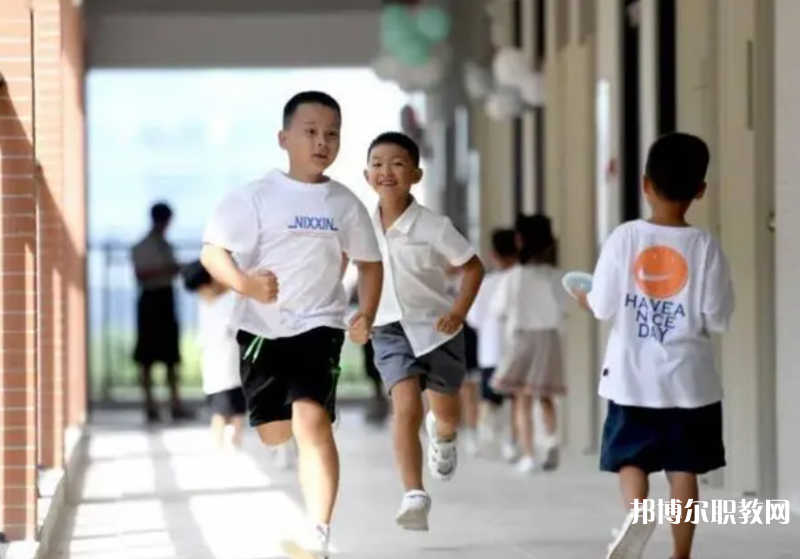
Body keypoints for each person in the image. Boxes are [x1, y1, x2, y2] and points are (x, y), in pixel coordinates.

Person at [200, 91, 384, 559]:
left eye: (331, 134)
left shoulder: (345, 204)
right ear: (284, 138)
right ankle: (285, 445)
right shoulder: (254, 196)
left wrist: (365, 313)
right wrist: (244, 283)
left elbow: (369, 263)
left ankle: (317, 535)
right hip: (261, 331)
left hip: (320, 325)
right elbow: (212, 252)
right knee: (275, 432)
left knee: (312, 421)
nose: (322, 142)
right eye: (311, 132)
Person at [571, 132, 734, 559]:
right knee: (684, 469)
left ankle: (637, 517)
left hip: (631, 379)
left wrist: (584, 298)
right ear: (700, 191)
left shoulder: (624, 238)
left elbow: (603, 305)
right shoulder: (705, 247)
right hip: (690, 384)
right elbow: (718, 315)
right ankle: (680, 555)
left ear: (645, 184)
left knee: (632, 460)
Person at [366, 131, 484, 532]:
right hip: (389, 328)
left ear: (415, 174)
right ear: (367, 175)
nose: (386, 171)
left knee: (445, 414)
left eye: (397, 163)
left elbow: (472, 267)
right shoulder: (360, 227)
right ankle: (414, 492)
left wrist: (458, 311)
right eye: (378, 164)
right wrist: (355, 316)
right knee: (405, 405)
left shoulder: (434, 226)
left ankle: (445, 437)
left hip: (438, 330)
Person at [489, 214, 566, 473]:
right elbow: (564, 307)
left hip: (522, 337)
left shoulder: (513, 277)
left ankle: (529, 454)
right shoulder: (555, 276)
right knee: (545, 395)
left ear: (520, 241)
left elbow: (498, 310)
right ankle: (552, 440)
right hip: (549, 337)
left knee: (521, 397)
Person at [131, 202, 191, 423]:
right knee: (146, 357)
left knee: (170, 356)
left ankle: (174, 403)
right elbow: (141, 274)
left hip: (164, 299)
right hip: (151, 300)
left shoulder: (165, 245)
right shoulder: (143, 246)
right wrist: (169, 269)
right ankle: (150, 405)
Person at [465, 228, 520, 458]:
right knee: (517, 401)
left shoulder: (486, 284)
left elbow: (473, 318)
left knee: (489, 399)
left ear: (493, 254)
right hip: (518, 349)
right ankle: (513, 443)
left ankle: (481, 435)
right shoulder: (521, 279)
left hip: (491, 350)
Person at [182, 260, 246, 450]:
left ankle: (232, 446)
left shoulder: (234, 297)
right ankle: (220, 447)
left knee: (234, 411)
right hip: (216, 367)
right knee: (219, 411)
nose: (201, 295)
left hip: (233, 365)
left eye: (201, 290)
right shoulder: (206, 302)